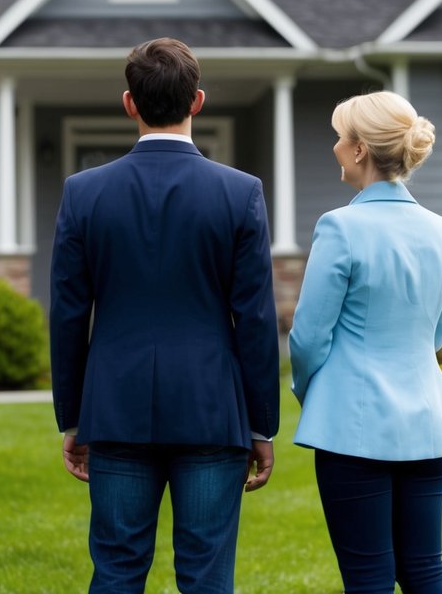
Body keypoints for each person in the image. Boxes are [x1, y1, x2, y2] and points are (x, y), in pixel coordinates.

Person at [50, 37, 279, 594]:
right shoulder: (240, 193)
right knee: (206, 577)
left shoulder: (84, 193)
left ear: (130, 104)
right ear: (196, 101)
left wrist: (73, 417)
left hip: (116, 407)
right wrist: (260, 425)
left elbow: (67, 314)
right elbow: (255, 317)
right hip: (211, 411)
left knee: (116, 571)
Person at [289, 91, 442, 594]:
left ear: (360, 149)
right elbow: (435, 335)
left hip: (352, 427)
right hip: (429, 426)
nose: (334, 148)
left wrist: (310, 391)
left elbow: (307, 339)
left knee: (367, 578)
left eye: (339, 138)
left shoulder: (340, 227)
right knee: (425, 571)